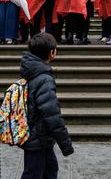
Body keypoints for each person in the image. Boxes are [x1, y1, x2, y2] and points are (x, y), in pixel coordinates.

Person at [20, 33, 73, 179]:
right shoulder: (44, 78)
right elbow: (51, 114)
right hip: (39, 137)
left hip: (36, 135)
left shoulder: (32, 70)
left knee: (49, 170)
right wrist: (65, 143)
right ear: (52, 52)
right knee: (34, 174)